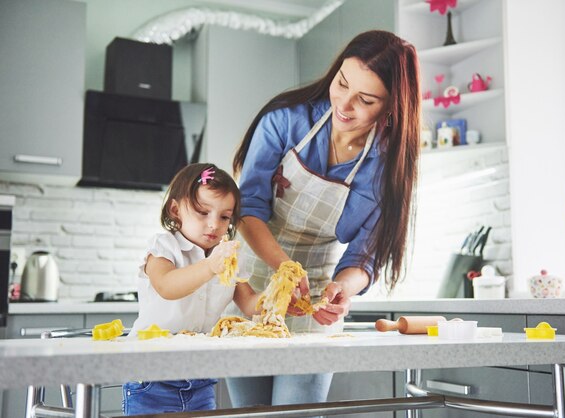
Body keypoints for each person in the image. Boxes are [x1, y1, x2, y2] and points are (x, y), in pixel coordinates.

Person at [226, 30, 421, 409]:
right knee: (251, 414)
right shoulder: (285, 120)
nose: (344, 105)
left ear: (392, 106)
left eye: (365, 100)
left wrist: (342, 291)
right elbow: (248, 210)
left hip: (315, 300)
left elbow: (366, 257)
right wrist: (285, 269)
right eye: (341, 83)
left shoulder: (386, 168)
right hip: (250, 286)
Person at [123, 163, 261, 416]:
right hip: (152, 379)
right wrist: (210, 266)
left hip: (201, 379)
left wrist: (279, 298)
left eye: (224, 216)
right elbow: (167, 286)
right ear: (176, 210)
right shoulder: (164, 247)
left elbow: (250, 303)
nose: (214, 225)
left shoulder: (228, 257)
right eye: (202, 212)